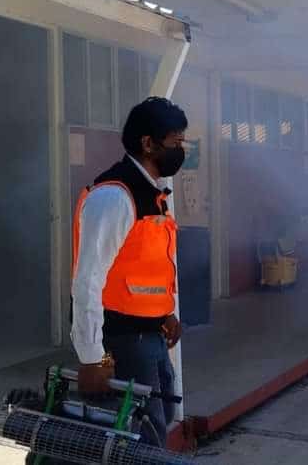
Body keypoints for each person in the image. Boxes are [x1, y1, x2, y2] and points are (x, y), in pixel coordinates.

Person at [70, 97, 188, 447]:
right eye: (175, 142)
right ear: (147, 143)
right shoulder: (115, 197)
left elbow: (146, 266)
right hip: (121, 340)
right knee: (140, 440)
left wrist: (165, 313)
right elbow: (87, 279)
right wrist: (91, 358)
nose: (181, 151)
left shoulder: (154, 196)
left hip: (149, 334)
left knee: (159, 421)